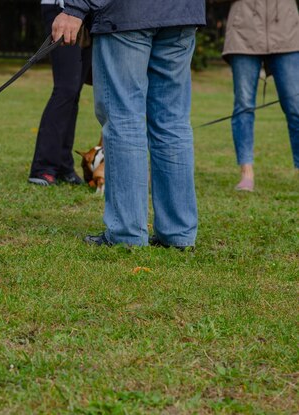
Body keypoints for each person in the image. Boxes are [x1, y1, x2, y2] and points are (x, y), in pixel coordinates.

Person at [52, 0, 205, 248]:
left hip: (126, 14)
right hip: (182, 13)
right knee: (172, 123)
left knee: (123, 118)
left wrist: (75, 7)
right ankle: (178, 234)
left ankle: (127, 234)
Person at [222, 0, 299, 192]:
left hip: (287, 32)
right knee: (244, 105)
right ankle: (246, 173)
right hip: (243, 32)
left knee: (296, 106)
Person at [28, 0, 92, 186]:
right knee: (66, 89)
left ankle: (64, 165)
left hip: (88, 13)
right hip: (63, 9)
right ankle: (43, 168)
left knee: (74, 92)